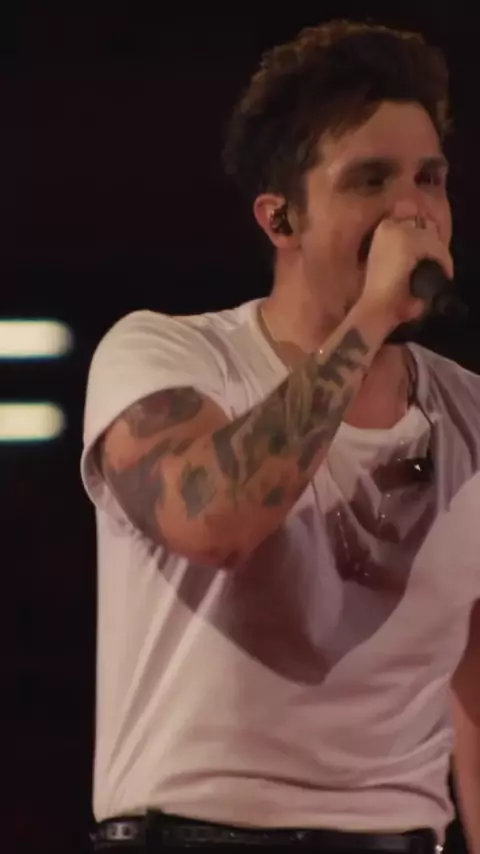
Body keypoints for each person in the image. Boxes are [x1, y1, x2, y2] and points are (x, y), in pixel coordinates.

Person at [82, 19, 480, 854]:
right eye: (370, 180)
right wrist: (371, 317)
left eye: (430, 178)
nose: (411, 210)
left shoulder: (471, 416)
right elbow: (215, 521)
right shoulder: (166, 356)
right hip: (192, 836)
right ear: (281, 220)